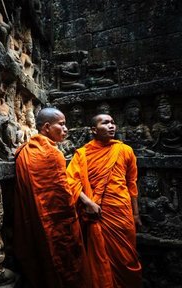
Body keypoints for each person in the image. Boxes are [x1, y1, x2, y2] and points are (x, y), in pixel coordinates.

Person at [14, 107, 91, 288]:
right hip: (58, 225)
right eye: (62, 125)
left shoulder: (26, 150)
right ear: (47, 127)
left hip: (34, 222)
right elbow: (62, 198)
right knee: (65, 265)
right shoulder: (51, 153)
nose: (66, 129)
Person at [66, 113, 142, 288]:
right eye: (105, 123)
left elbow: (132, 183)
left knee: (127, 259)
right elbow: (70, 182)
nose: (111, 126)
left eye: (113, 122)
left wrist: (135, 213)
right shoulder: (82, 154)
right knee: (100, 258)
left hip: (122, 213)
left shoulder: (125, 150)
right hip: (97, 214)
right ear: (94, 130)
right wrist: (88, 203)